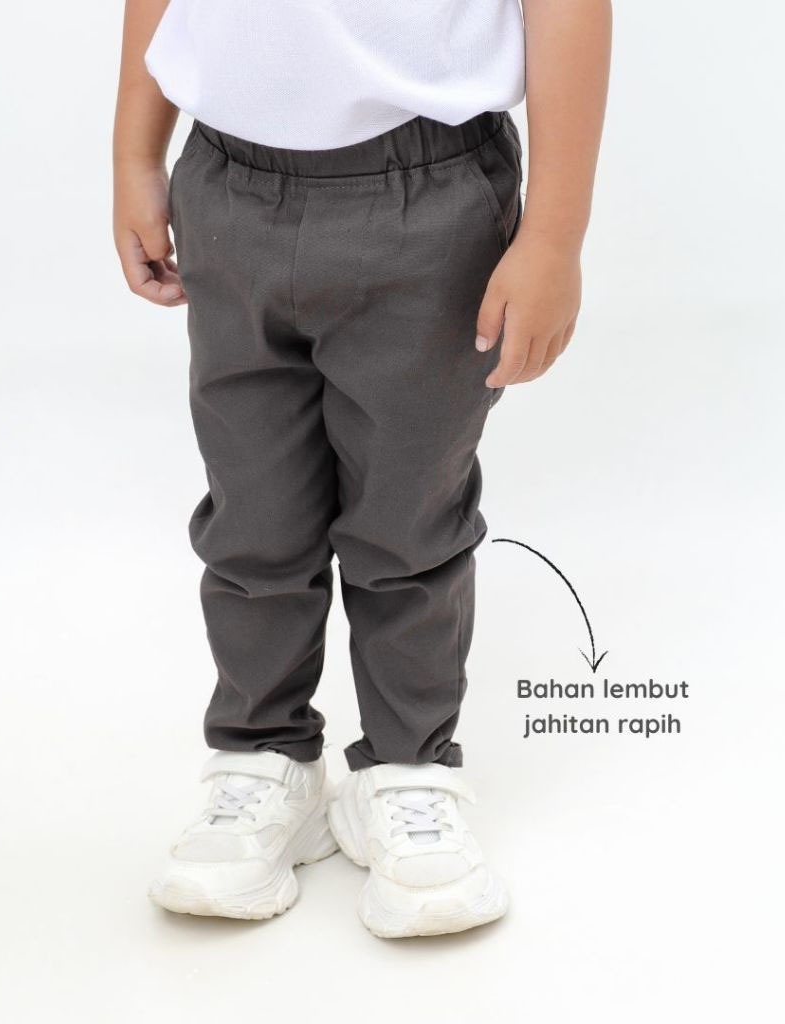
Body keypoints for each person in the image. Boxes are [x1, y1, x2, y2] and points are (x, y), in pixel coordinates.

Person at [113, 0, 610, 938]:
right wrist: (135, 154)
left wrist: (555, 235)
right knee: (254, 508)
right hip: (227, 184)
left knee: (408, 513)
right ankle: (264, 759)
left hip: (429, 198)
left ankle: (409, 768)